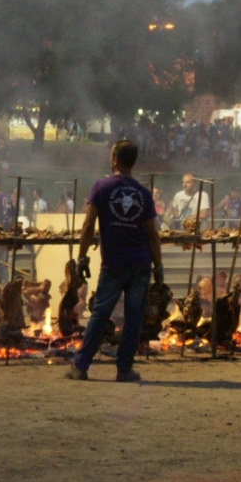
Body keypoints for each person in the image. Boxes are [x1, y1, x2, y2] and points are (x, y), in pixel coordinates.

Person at [66, 140, 163, 383]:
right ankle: (124, 369)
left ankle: (81, 366)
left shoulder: (101, 187)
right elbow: (152, 233)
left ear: (115, 159)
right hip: (140, 263)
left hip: (113, 264)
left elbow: (88, 225)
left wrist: (82, 257)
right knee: (133, 317)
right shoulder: (143, 193)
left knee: (100, 314)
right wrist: (159, 266)